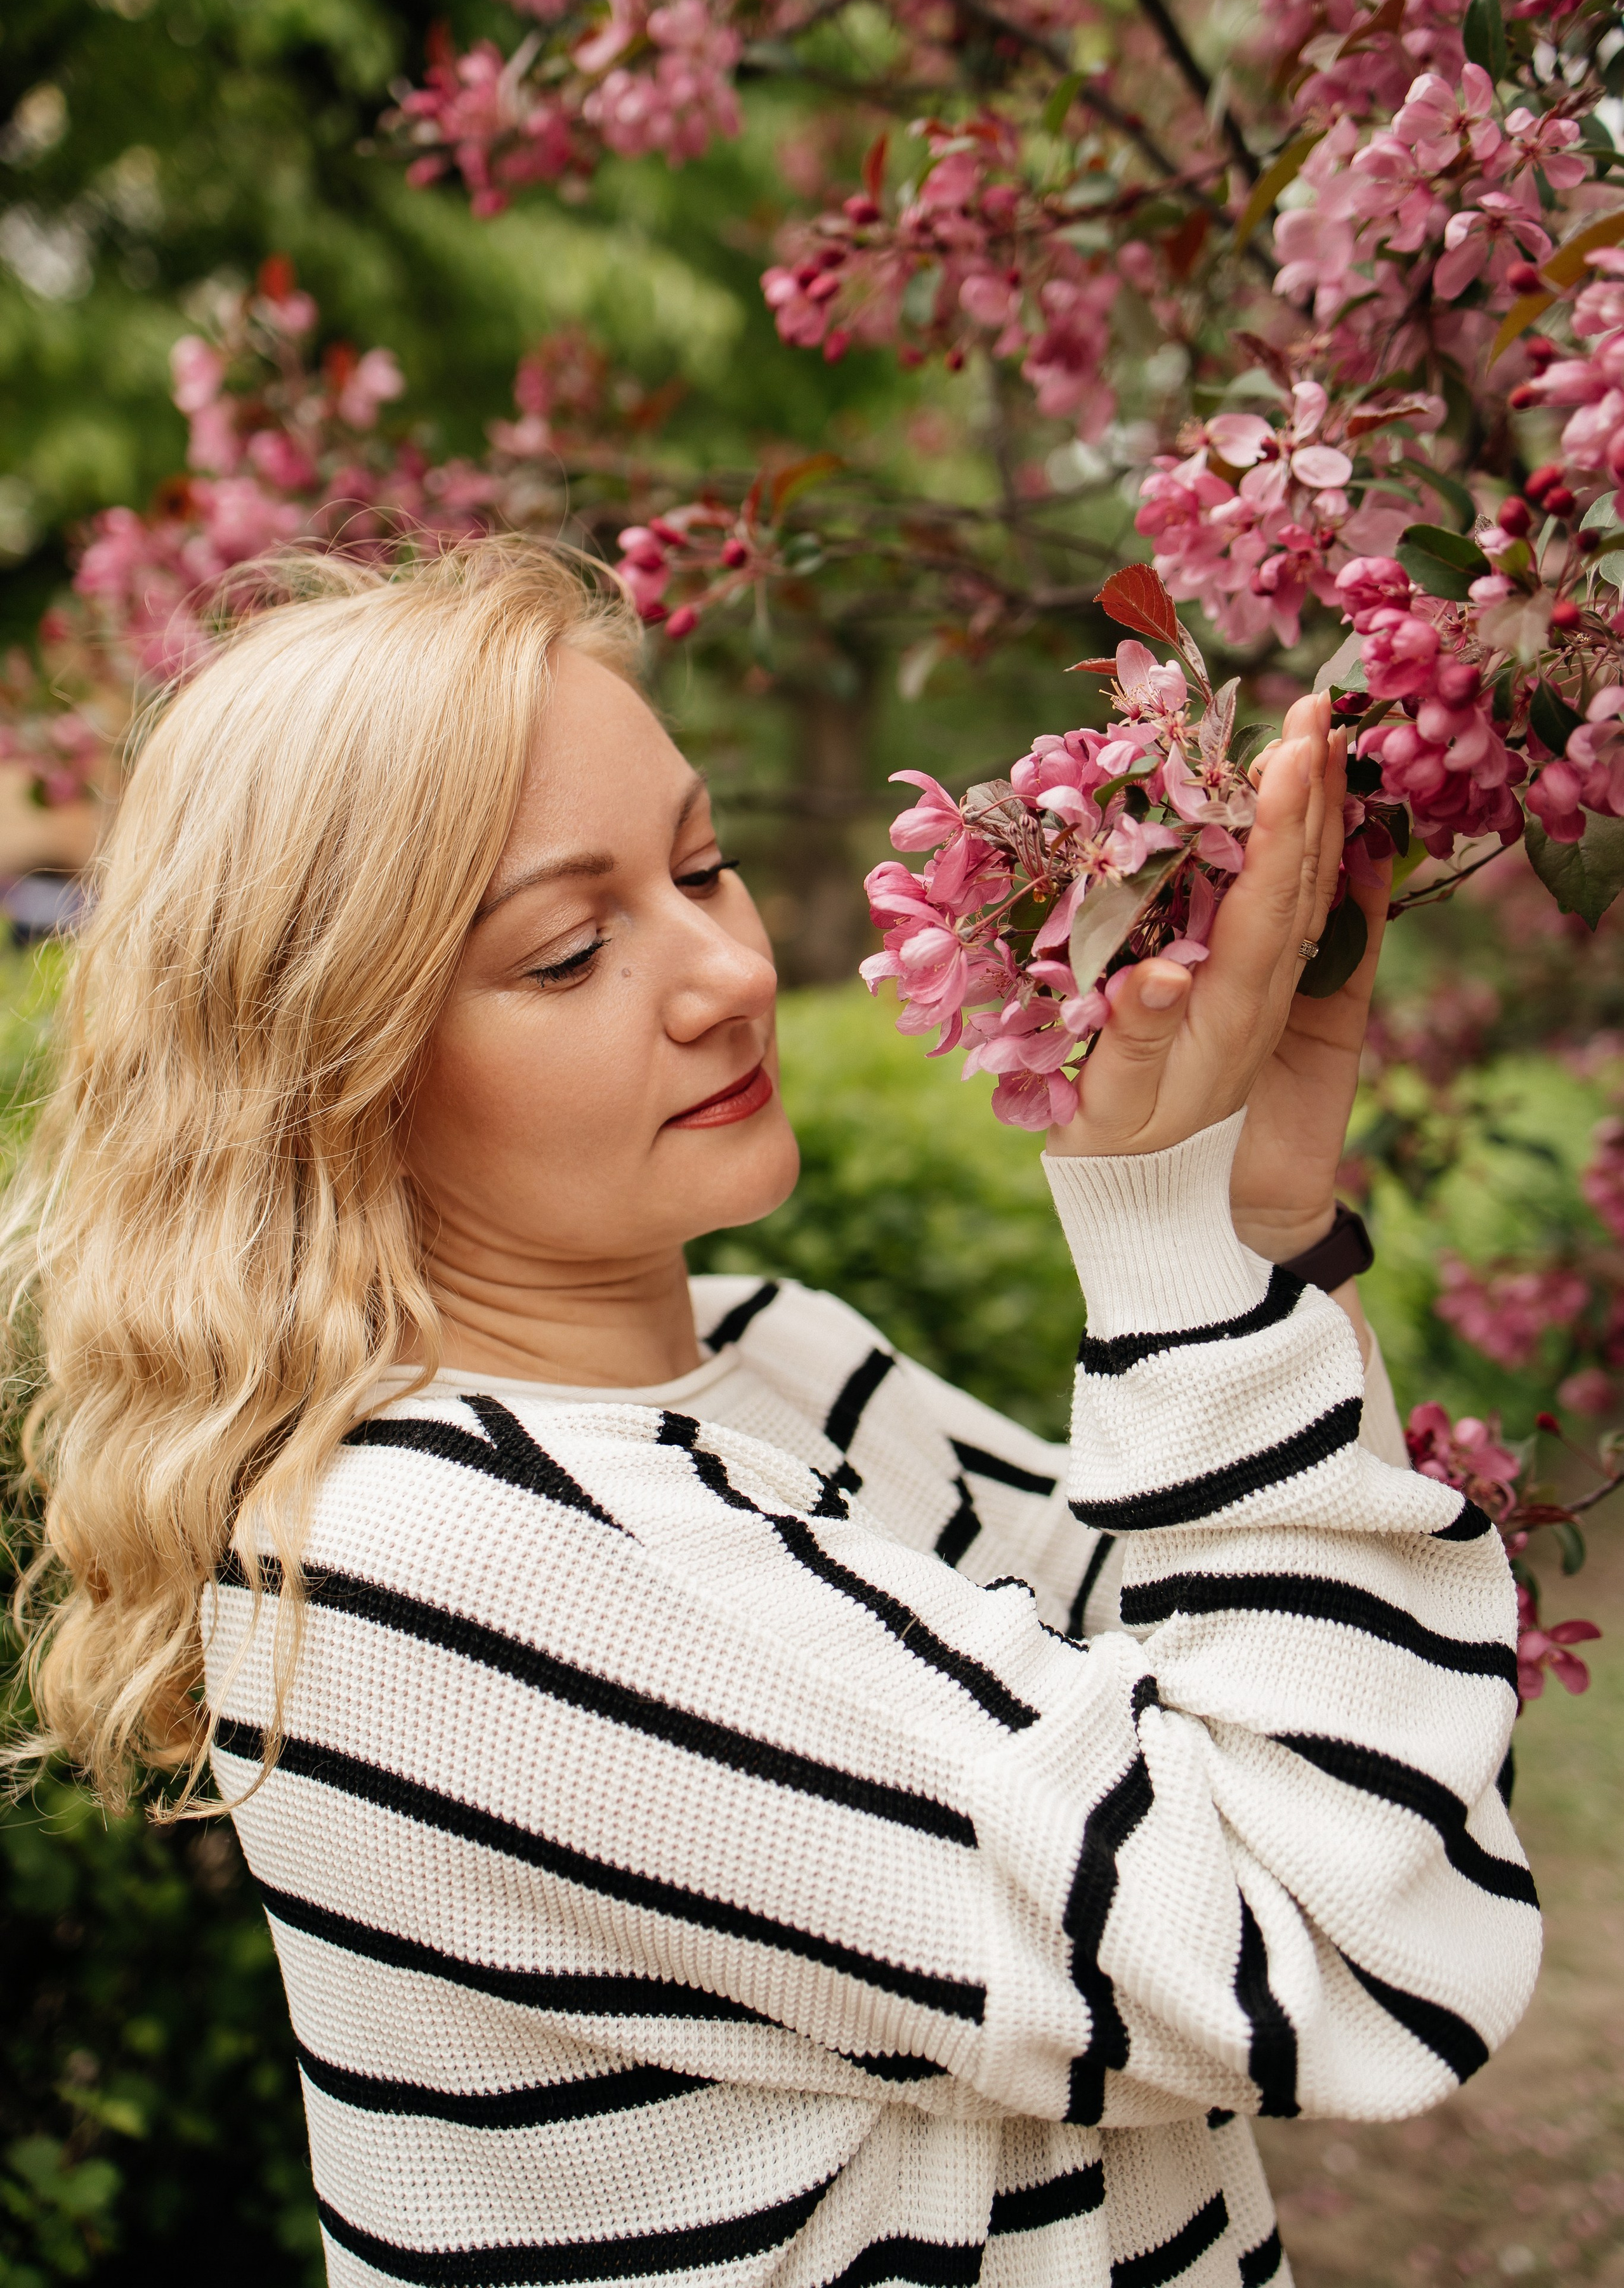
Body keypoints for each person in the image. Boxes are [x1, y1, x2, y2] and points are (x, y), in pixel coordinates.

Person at [6, 539, 1539, 2288]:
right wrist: (1168, 1254)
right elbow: (1337, 1953)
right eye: (572, 950)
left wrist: (1252, 1211)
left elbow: (1304, 1737)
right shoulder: (443, 1556)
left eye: (702, 863)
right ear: (335, 1073)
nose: (728, 970)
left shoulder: (770, 1360)